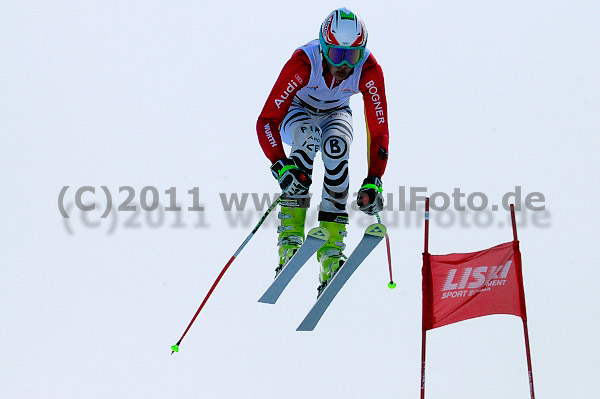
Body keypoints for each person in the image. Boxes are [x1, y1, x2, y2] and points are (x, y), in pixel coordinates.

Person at [256, 7, 389, 296]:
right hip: (297, 111)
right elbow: (266, 121)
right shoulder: (305, 63)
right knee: (306, 138)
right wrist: (281, 165)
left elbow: (378, 131)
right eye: (337, 55)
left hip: (336, 112)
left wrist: (374, 179)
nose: (343, 65)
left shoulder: (368, 70)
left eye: (351, 56)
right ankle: (290, 242)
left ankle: (330, 254)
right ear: (323, 46)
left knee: (337, 149)